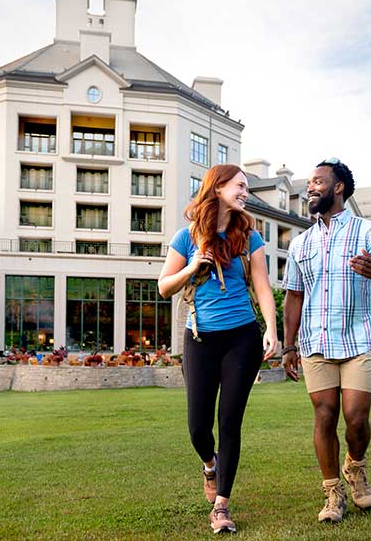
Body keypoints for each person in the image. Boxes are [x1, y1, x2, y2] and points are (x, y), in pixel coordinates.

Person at [159, 163, 279, 534]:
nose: (245, 192)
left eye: (246, 187)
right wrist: (193, 264)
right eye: (240, 186)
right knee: (198, 426)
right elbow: (164, 287)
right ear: (218, 187)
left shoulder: (249, 238)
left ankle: (222, 507)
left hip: (242, 338)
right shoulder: (187, 236)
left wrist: (272, 331)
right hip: (200, 340)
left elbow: (262, 288)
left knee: (230, 421)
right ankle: (210, 465)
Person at [281, 158, 371, 523]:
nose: (310, 188)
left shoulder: (369, 233)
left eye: (318, 181)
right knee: (325, 415)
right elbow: (293, 297)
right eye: (309, 183)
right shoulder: (300, 244)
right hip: (315, 342)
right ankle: (333, 494)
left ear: (338, 187)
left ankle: (356, 466)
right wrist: (288, 346)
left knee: (356, 419)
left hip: (357, 339)